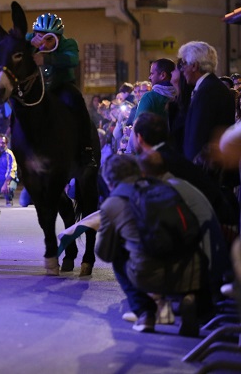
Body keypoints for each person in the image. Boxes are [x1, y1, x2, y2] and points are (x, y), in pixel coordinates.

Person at [97, 153, 217, 335]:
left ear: (109, 180)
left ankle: (145, 313)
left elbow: (104, 254)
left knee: (117, 256)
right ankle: (188, 298)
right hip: (191, 269)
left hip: (149, 275)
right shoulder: (166, 188)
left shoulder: (112, 203)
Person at [27, 12, 96, 168]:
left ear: (58, 37)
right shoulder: (28, 41)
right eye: (40, 37)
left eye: (49, 38)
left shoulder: (69, 43)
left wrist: (46, 58)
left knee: (76, 100)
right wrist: (31, 47)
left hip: (61, 85)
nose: (43, 43)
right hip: (37, 87)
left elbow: (72, 59)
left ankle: (87, 149)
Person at [178, 41, 236, 164]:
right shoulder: (212, 86)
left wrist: (192, 170)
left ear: (194, 66)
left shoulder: (207, 91)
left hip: (204, 168)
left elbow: (198, 137)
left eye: (183, 64)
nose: (182, 70)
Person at [131, 59, 176, 123]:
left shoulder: (149, 97)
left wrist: (130, 131)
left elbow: (138, 127)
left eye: (152, 74)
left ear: (163, 75)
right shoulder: (180, 96)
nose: (149, 77)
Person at [0, 134, 18, 206]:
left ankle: (9, 199)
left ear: (6, 144)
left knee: (10, 187)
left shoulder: (9, 154)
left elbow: (11, 170)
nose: (0, 145)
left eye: (3, 143)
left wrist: (6, 183)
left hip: (6, 179)